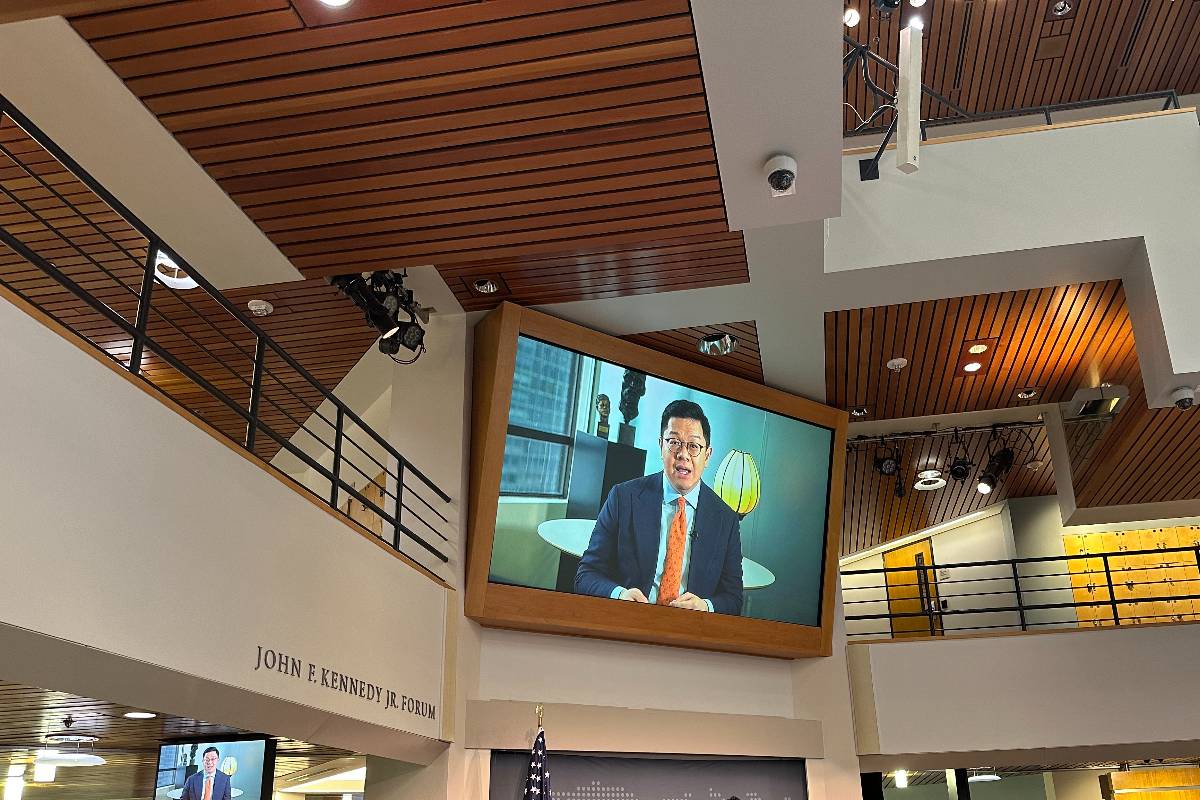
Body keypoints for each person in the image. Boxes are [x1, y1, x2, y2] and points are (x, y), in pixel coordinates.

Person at [575, 399, 743, 614]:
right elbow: (586, 575)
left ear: (707, 455)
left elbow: (733, 598)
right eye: (674, 442)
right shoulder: (623, 497)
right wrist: (619, 594)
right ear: (661, 445)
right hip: (629, 621)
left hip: (690, 633)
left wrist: (705, 606)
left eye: (693, 446)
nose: (683, 454)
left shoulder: (725, 519)